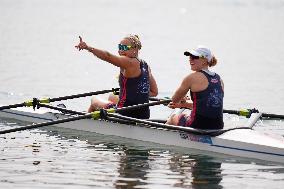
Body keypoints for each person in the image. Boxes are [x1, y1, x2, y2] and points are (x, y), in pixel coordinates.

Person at [75, 35, 158, 119]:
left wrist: (88, 47)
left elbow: (107, 56)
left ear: (135, 50)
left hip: (124, 114)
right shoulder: (146, 66)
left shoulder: (128, 62)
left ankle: (86, 121)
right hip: (143, 115)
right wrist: (136, 93)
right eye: (120, 47)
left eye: (124, 47)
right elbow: (154, 92)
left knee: (94, 99)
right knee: (112, 95)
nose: (120, 51)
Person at [166, 46, 224, 130]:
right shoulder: (219, 79)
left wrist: (182, 99)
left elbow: (174, 99)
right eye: (190, 57)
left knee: (173, 118)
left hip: (197, 125)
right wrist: (184, 104)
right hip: (218, 126)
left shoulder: (191, 78)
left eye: (194, 57)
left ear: (205, 60)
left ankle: (161, 139)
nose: (190, 59)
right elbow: (206, 105)